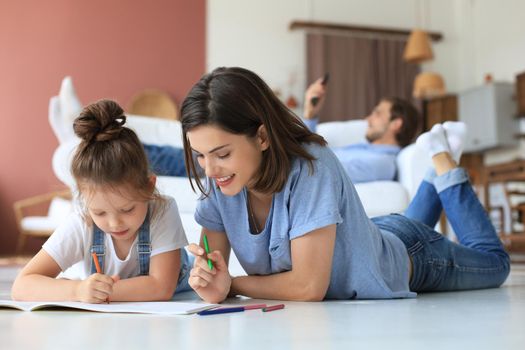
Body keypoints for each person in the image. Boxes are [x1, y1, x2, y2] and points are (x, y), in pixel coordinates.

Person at [181, 67, 509, 303]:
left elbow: (309, 287)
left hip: (411, 256)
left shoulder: (311, 165)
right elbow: (212, 270)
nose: (210, 169)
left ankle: (445, 167)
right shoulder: (219, 182)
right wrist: (209, 282)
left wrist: (232, 285)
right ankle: (433, 177)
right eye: (200, 156)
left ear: (263, 137)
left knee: (495, 264)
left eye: (222, 154)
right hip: (370, 236)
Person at [12, 99, 191, 303]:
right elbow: (22, 285)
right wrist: (77, 290)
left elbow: (161, 287)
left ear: (150, 187)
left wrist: (101, 292)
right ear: (83, 199)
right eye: (100, 213)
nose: (115, 223)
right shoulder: (81, 222)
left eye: (127, 209)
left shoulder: (162, 210)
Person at [301, 78, 421, 183]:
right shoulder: (367, 150)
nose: (367, 119)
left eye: (377, 114)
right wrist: (310, 113)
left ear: (396, 124)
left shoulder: (382, 163)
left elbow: (318, 172)